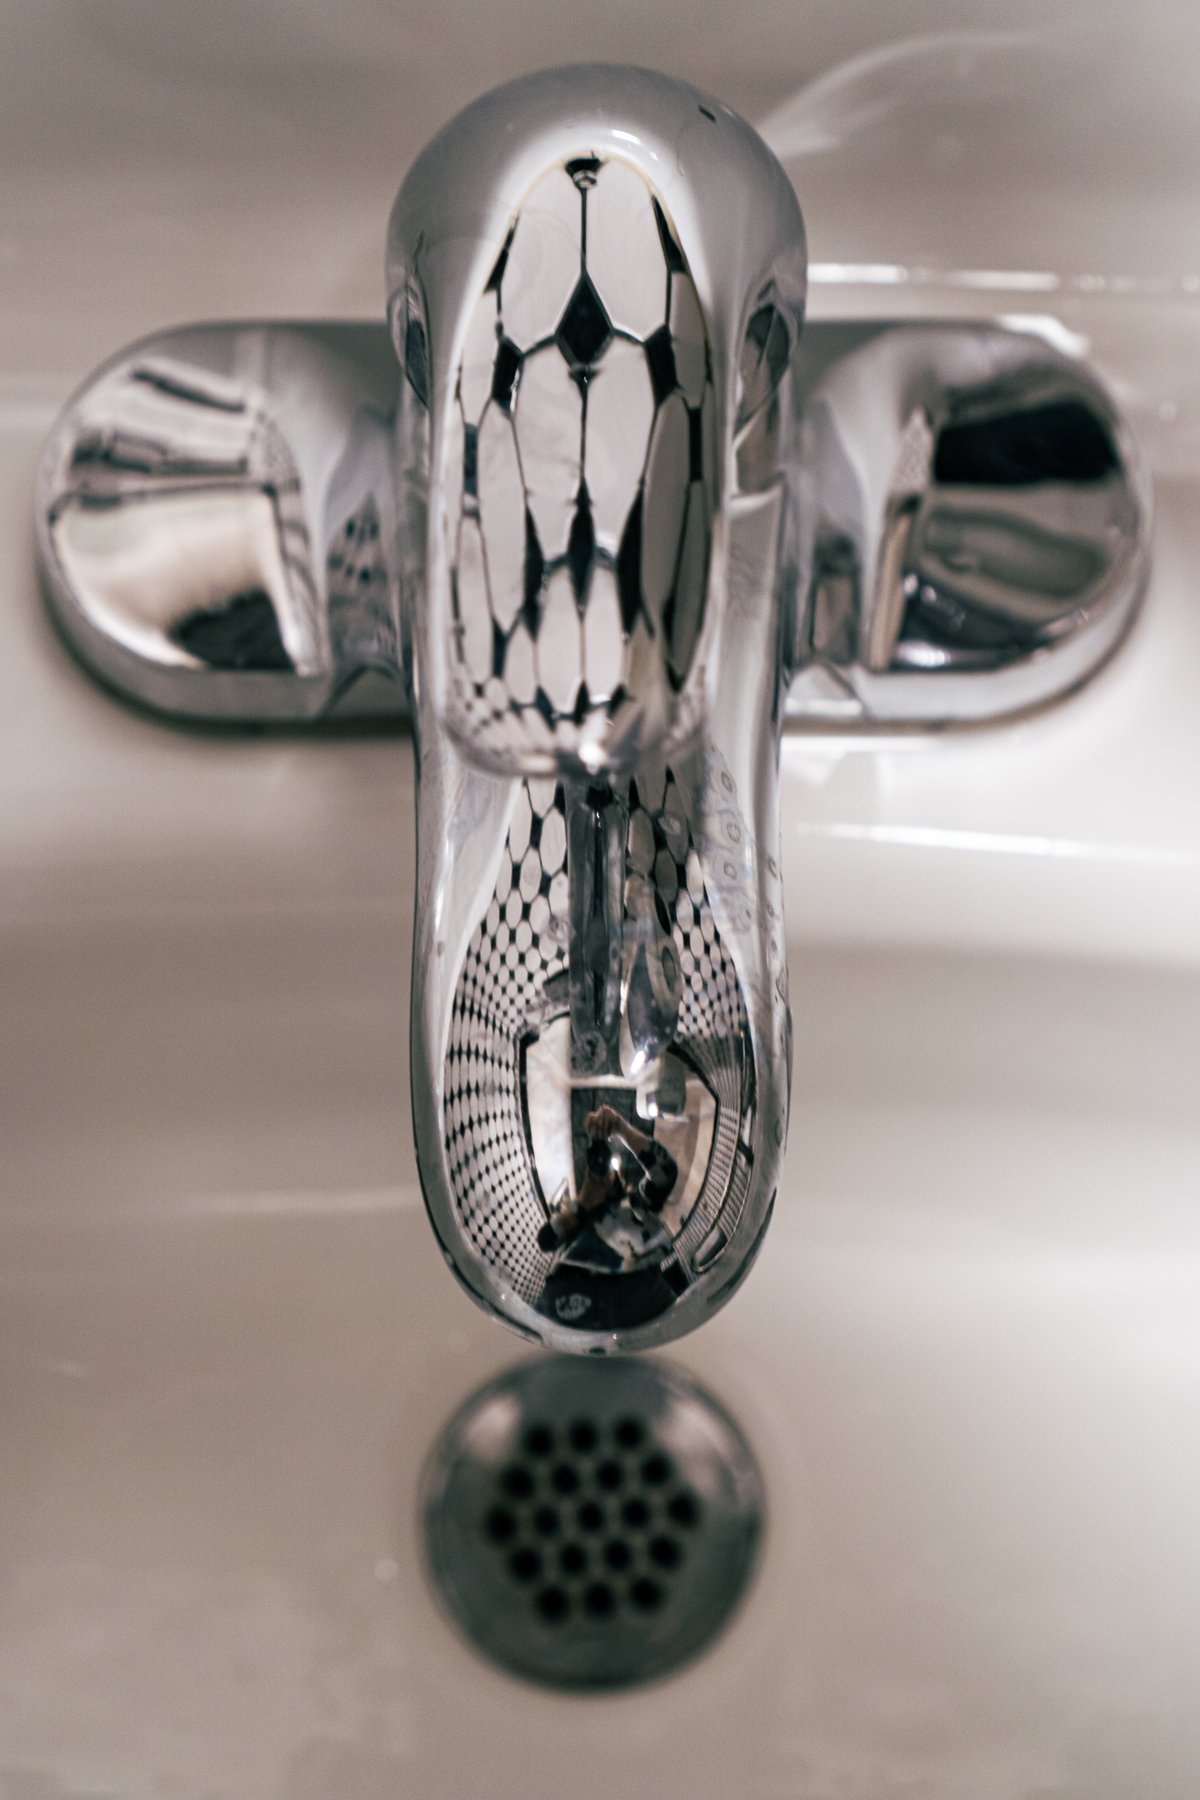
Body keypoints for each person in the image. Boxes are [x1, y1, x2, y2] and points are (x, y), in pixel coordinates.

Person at [536, 1103, 678, 1253]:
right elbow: (665, 1173)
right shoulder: (614, 1222)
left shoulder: (620, 1207)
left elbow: (664, 1173)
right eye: (566, 1223)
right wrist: (622, 1130)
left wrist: (619, 1127)